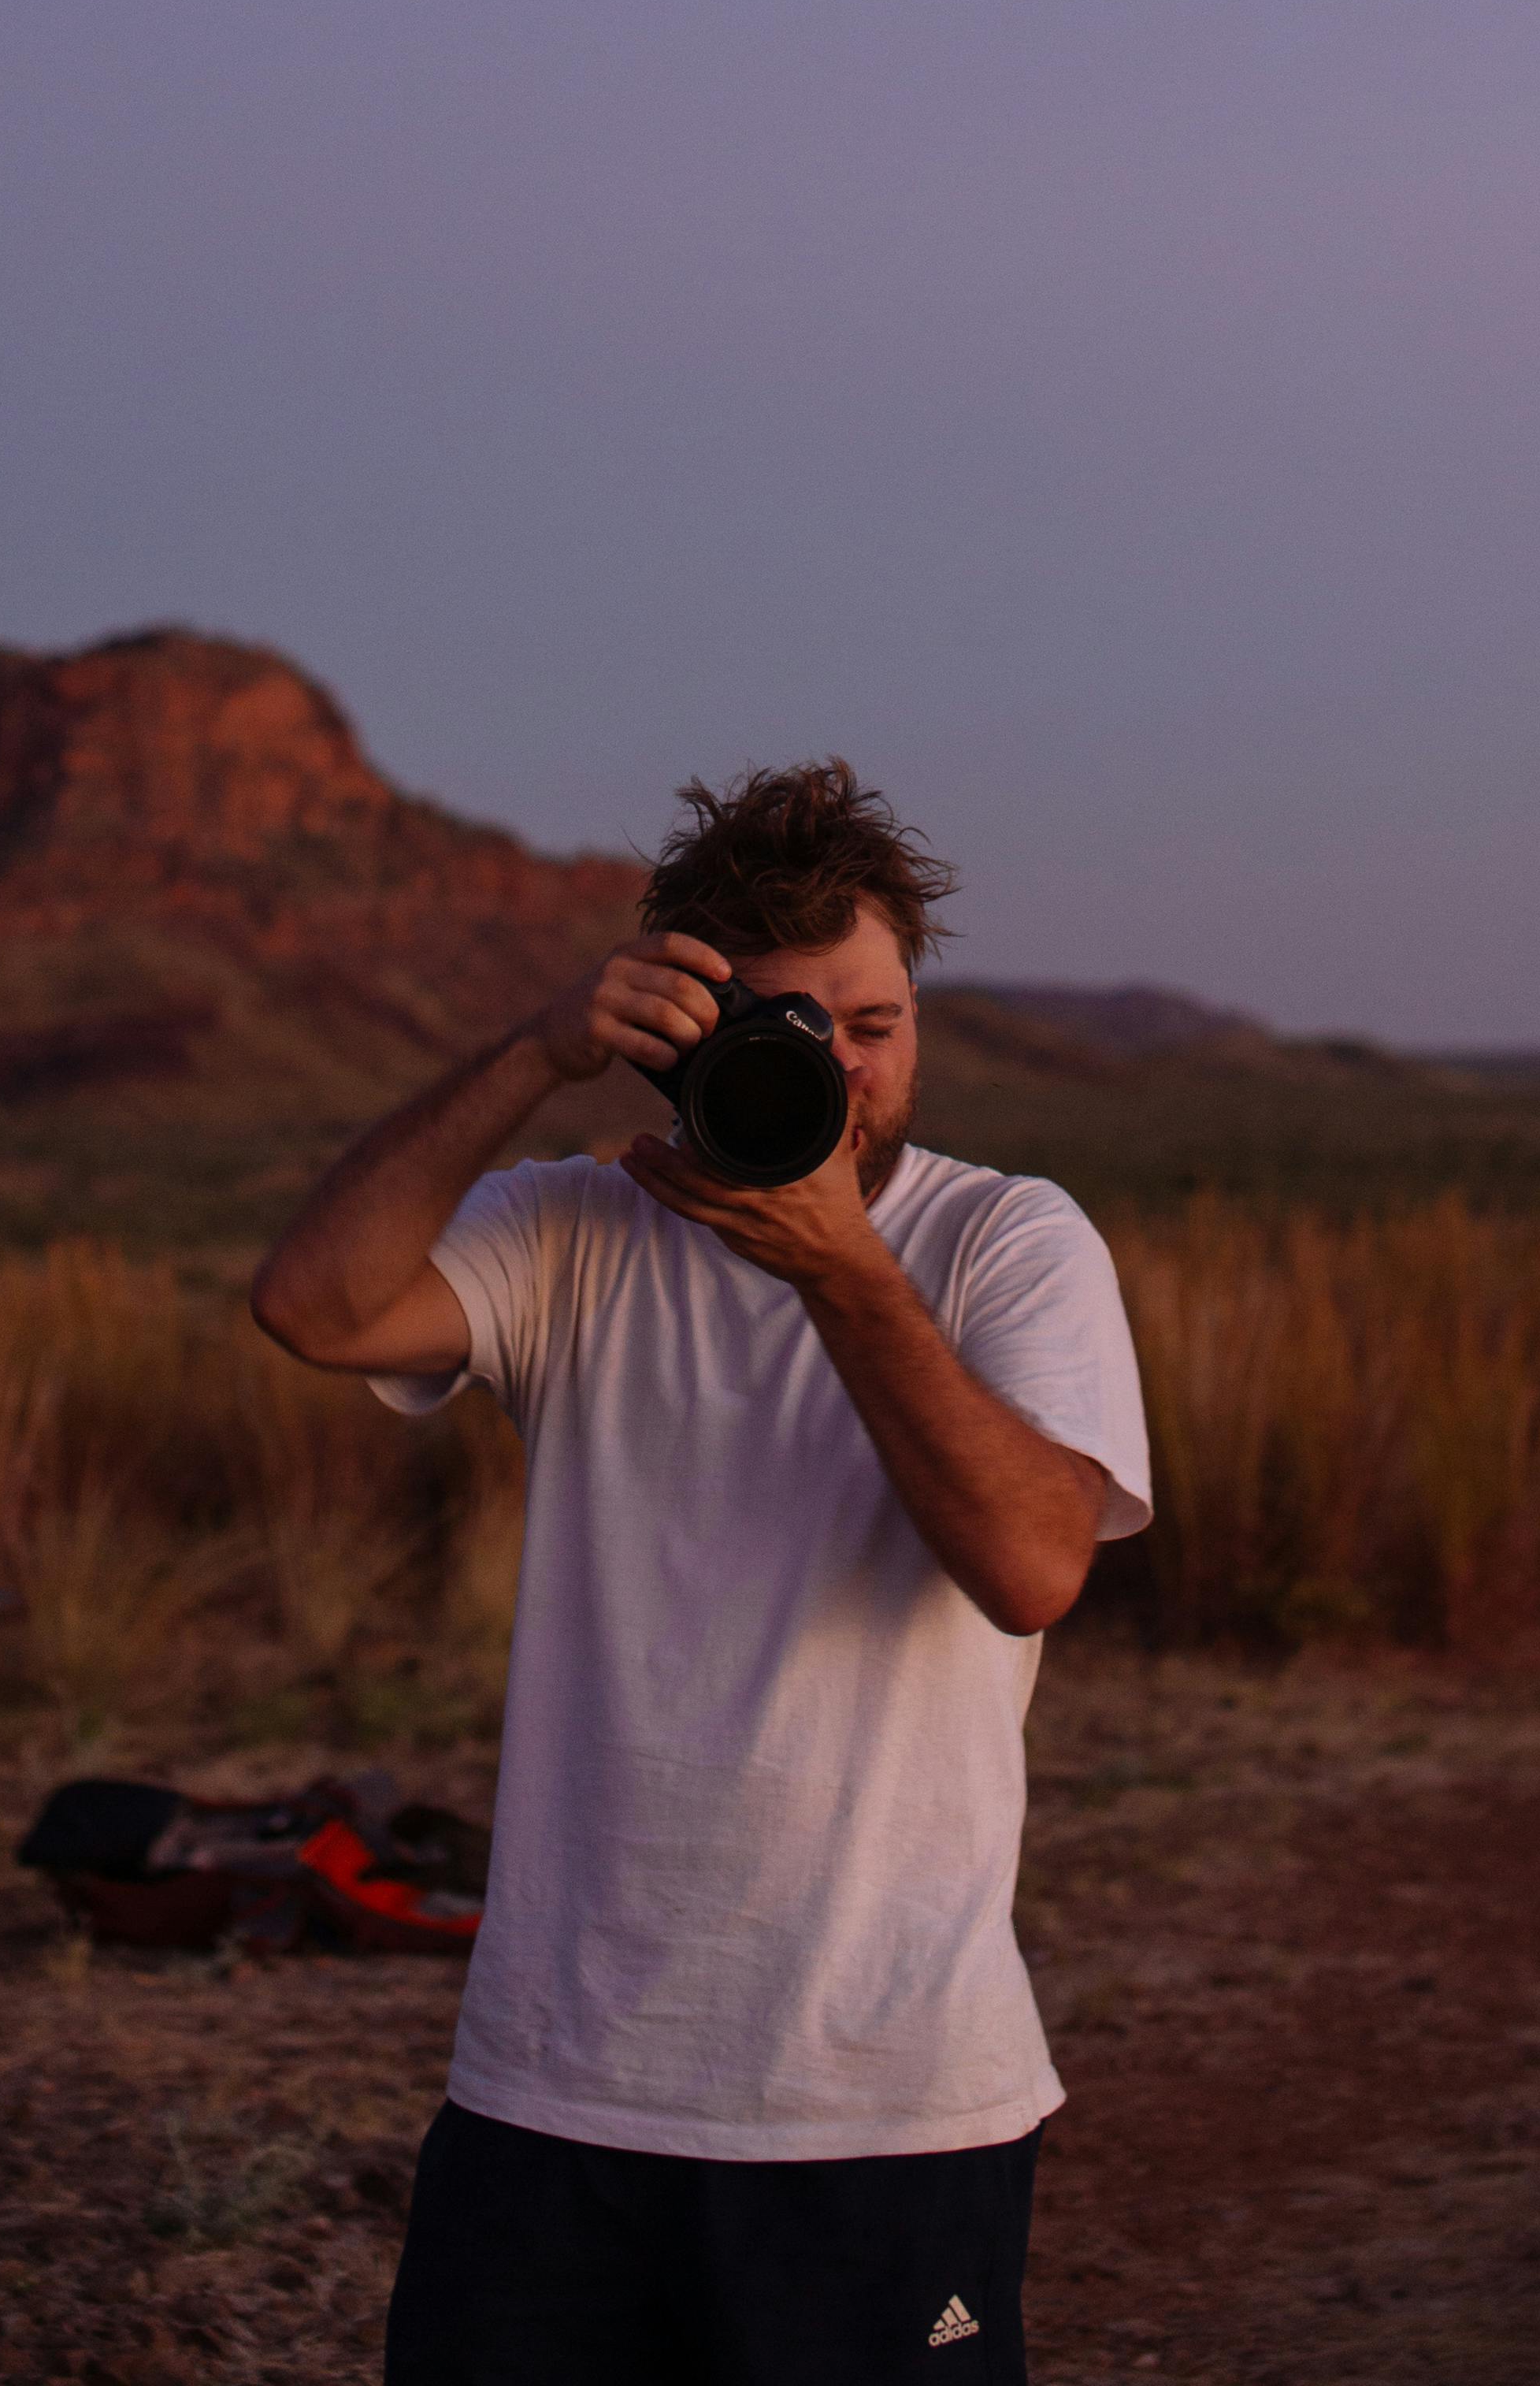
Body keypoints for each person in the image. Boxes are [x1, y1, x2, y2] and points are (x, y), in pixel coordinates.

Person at [250, 757, 1151, 2386]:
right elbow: (312, 1306)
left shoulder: (1003, 1243)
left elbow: (1032, 1568)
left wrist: (843, 1272)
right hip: (557, 2089)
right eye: (792, 1028)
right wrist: (532, 1053)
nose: (844, 1069)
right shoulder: (572, 1232)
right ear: (681, 1032)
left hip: (882, 2101)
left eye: (876, 1025)